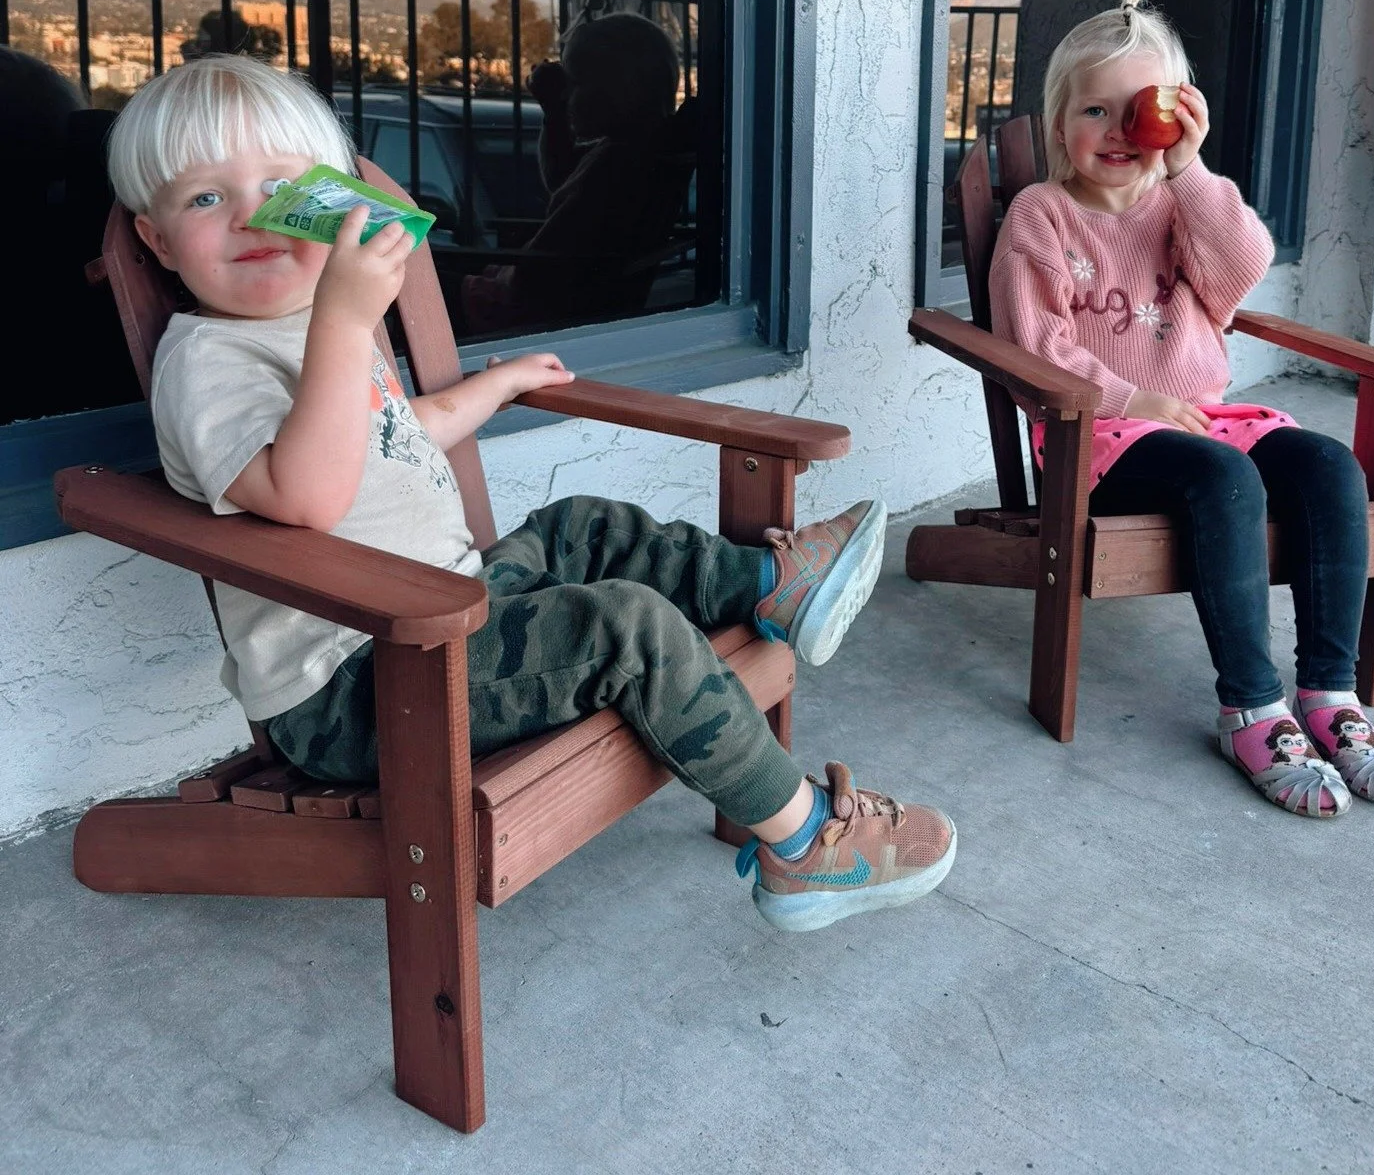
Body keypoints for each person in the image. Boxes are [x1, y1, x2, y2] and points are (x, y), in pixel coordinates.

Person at [108, 53, 955, 930]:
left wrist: (496, 386)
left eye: (280, 187)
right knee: (624, 626)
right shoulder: (209, 363)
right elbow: (309, 494)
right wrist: (347, 319)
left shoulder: (310, 327)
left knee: (576, 526)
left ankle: (770, 587)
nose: (251, 215)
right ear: (157, 240)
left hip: (448, 611)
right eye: (206, 198)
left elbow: (397, 433)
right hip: (357, 690)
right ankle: (803, 843)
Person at [989, 0, 1374, 818]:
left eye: (1139, 111)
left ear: (1177, 118)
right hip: (1098, 440)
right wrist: (1132, 398)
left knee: (1329, 467)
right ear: (1058, 123)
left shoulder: (1180, 204)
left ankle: (1331, 695)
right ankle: (1252, 708)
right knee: (1227, 481)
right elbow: (1032, 347)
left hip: (1209, 424)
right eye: (1094, 112)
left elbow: (1238, 271)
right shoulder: (1041, 217)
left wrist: (1189, 170)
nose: (1118, 133)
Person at [461, 8, 698, 334]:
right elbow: (562, 179)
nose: (566, 95)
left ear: (621, 90)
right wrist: (554, 112)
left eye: (575, 82)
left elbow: (534, 283)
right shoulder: (636, 152)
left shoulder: (617, 167)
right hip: (555, 300)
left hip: (524, 312)